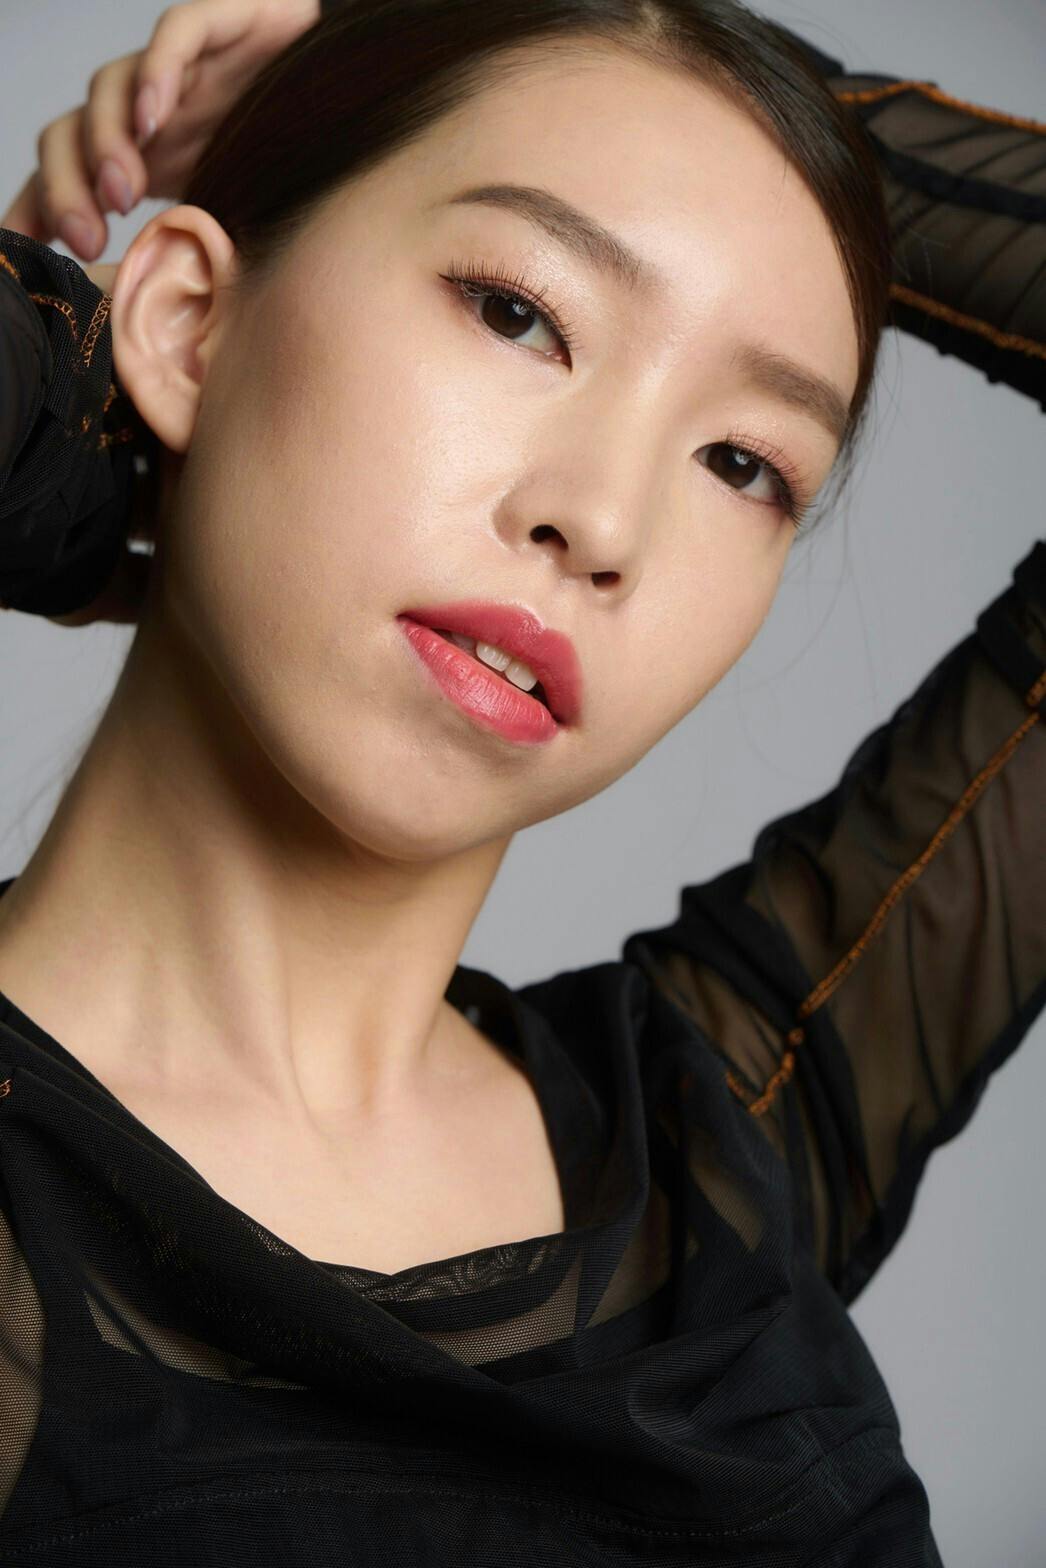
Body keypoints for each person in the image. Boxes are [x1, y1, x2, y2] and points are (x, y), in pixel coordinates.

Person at [0, 0, 1041, 1560]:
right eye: (516, 312)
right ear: (187, 320)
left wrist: (698, 79)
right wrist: (92, 446)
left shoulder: (723, 1159)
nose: (604, 521)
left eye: (741, 463)